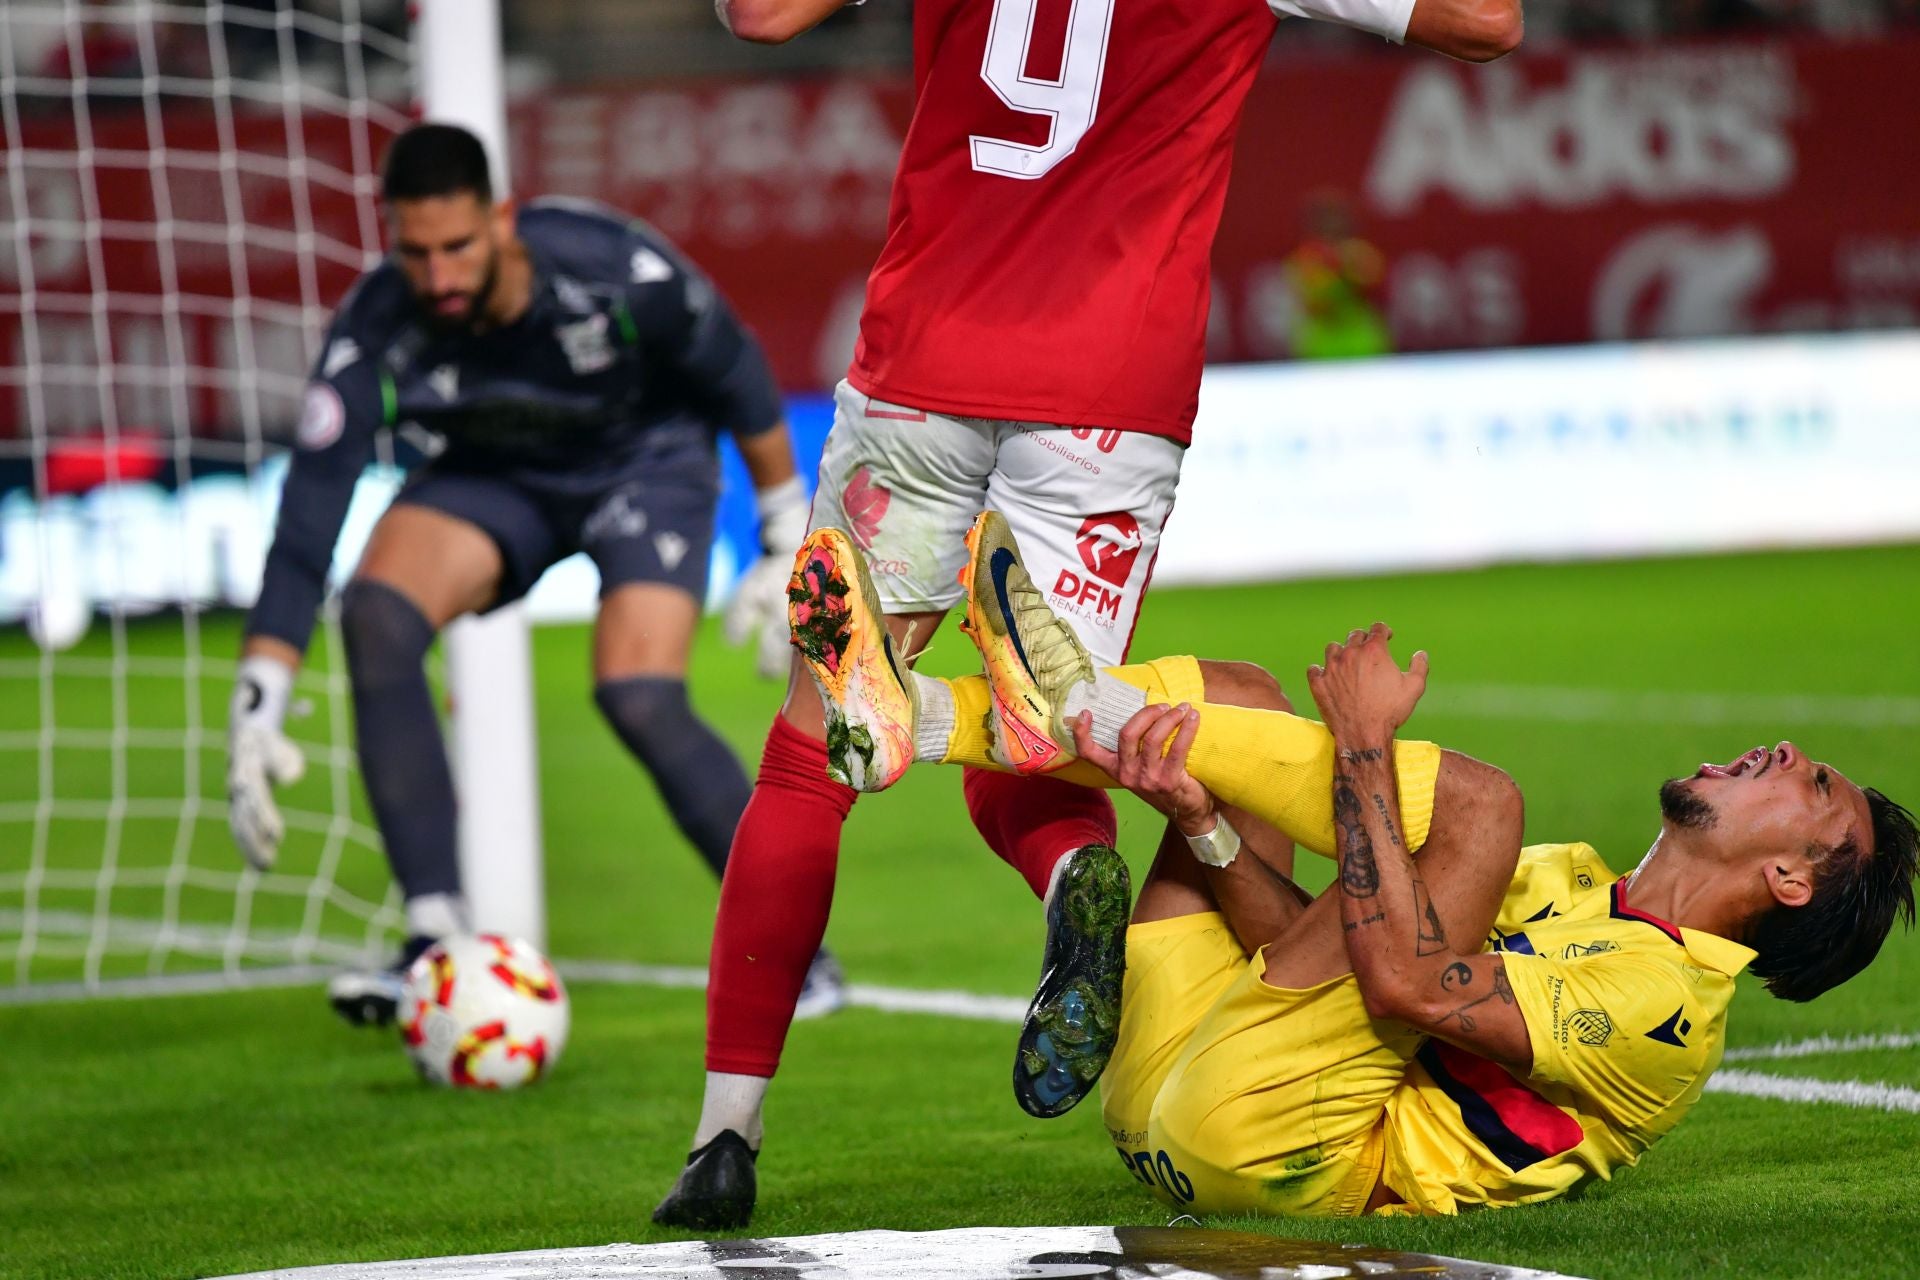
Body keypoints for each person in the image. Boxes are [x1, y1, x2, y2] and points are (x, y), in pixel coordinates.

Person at [655, 0, 1529, 1232]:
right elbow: (1489, 23)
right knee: (1042, 719)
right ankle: (1069, 859)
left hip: (923, 364)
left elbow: (758, 15)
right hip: (1106, 398)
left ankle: (722, 1140)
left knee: (809, 755)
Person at [797, 512, 1919, 1215]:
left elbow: (1408, 982)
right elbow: (1333, 937)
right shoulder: (1576, 879)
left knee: (1478, 803)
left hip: (1285, 1150)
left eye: (1813, 786)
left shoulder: (1669, 1006)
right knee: (1240, 696)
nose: (1786, 755)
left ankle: (1046, 709)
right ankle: (923, 719)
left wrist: (1369, 750)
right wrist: (1203, 823)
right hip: (1169, 1107)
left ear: (1791, 881)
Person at [225, 122, 844, 1026]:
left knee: (637, 692)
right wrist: (260, 692)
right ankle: (433, 937)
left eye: (458, 247)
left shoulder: (607, 266)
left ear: (502, 220)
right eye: (417, 253)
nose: (437, 275)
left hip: (644, 461)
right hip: (497, 476)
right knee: (376, 613)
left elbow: (734, 368)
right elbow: (310, 509)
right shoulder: (376, 323)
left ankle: (796, 952)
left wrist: (786, 524)